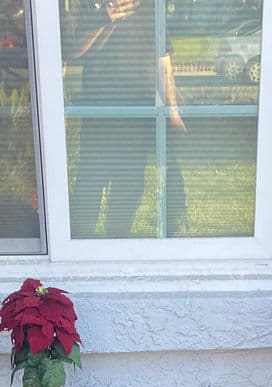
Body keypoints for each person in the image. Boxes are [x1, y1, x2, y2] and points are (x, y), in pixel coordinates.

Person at [64, 0, 188, 238]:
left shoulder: (152, 7)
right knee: (89, 187)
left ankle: (116, 245)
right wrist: (104, 19)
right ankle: (79, 252)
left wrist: (173, 112)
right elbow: (75, 52)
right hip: (99, 116)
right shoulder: (93, 5)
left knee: (129, 188)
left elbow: (163, 62)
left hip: (137, 115)